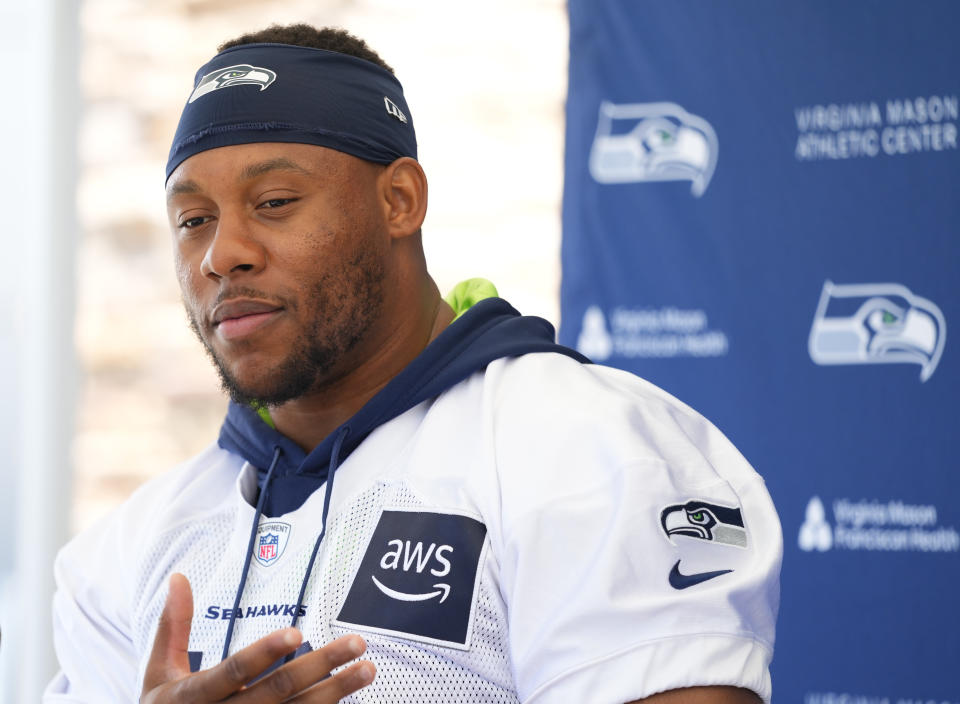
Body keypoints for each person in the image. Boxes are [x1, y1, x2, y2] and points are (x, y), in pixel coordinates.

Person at [45, 24, 782, 704]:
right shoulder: (124, 552)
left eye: (273, 201)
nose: (221, 254)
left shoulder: (593, 455)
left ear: (399, 200)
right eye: (193, 220)